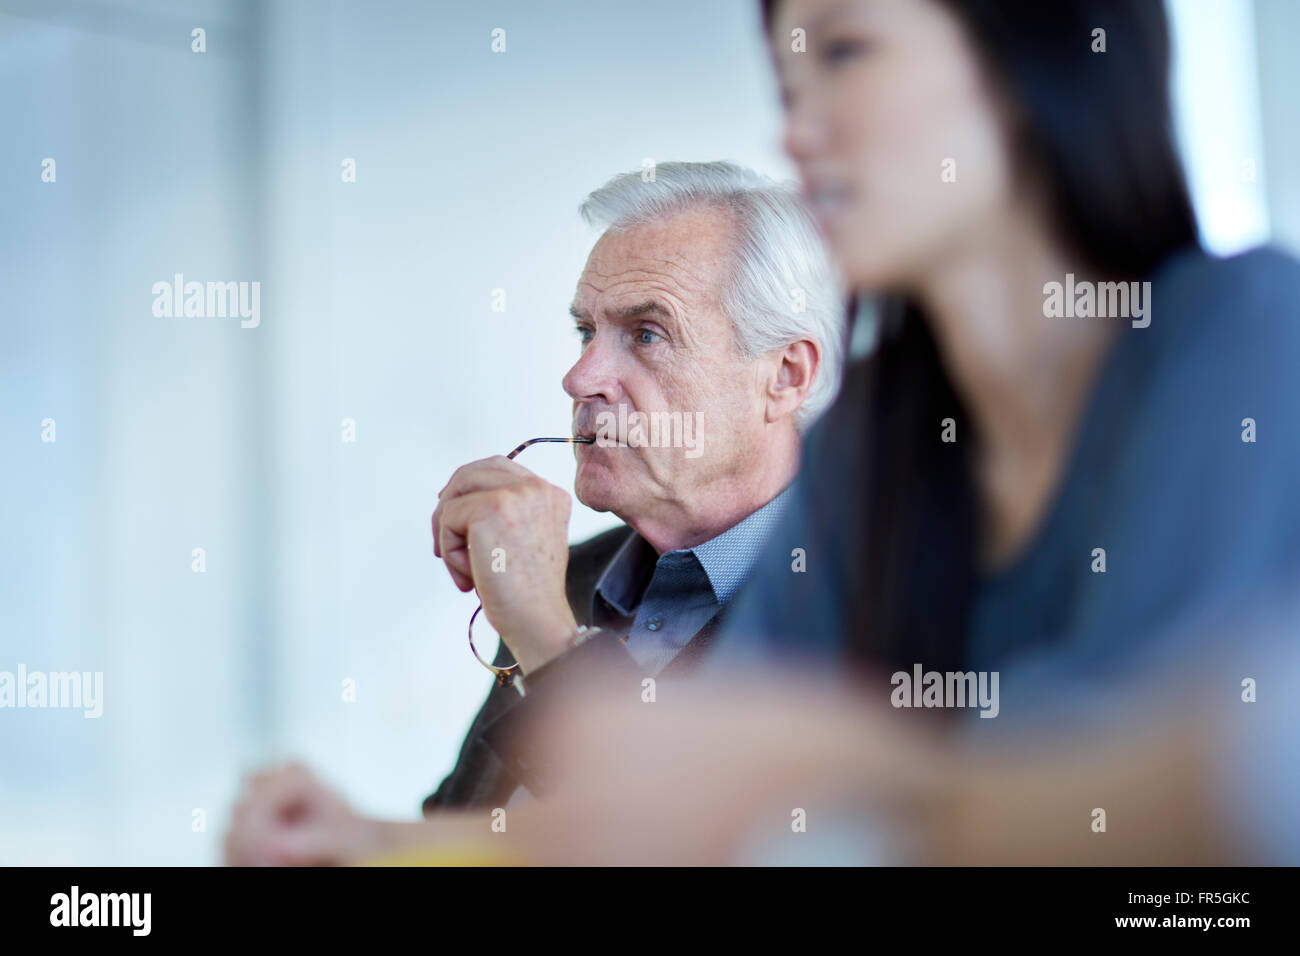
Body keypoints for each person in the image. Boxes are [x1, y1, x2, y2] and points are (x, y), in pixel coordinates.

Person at [224, 160, 845, 857]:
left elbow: (680, 845)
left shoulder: (851, 612)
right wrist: (353, 846)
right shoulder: (572, 579)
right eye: (587, 332)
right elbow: (476, 825)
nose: (580, 378)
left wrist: (547, 639)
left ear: (786, 376)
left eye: (646, 333)